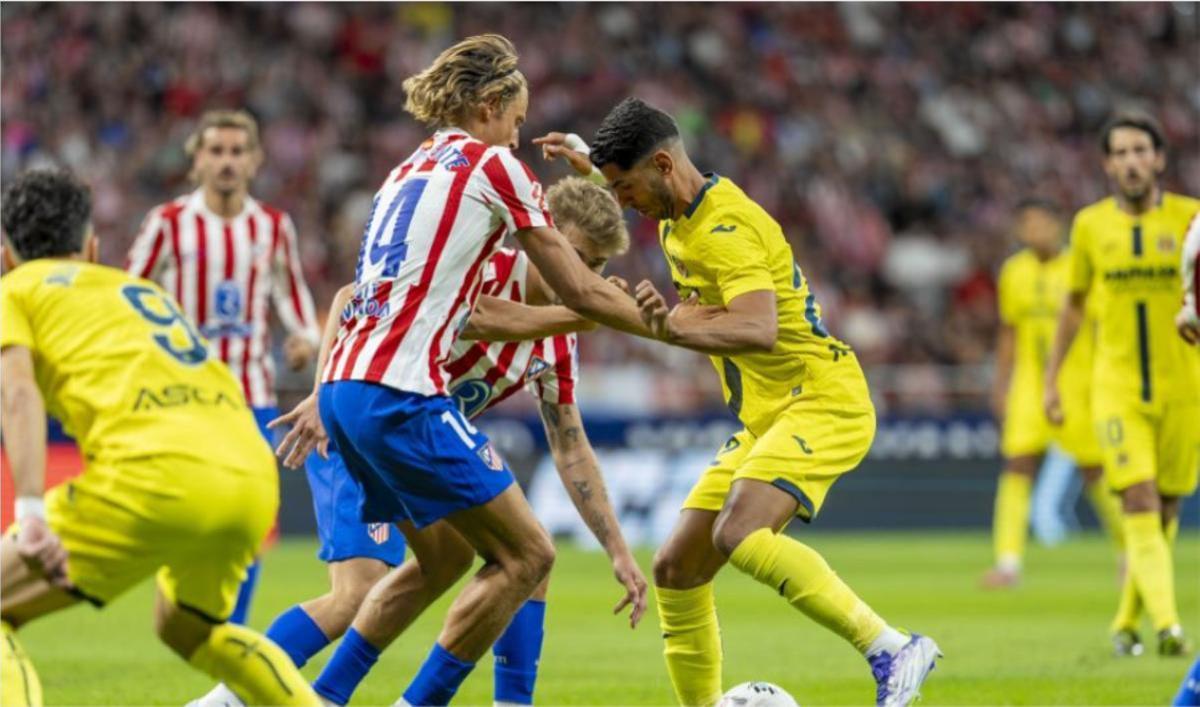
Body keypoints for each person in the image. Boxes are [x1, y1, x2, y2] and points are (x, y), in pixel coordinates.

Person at [196, 176, 647, 706]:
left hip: (419, 443)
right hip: (360, 427)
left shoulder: (559, 341)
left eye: (594, 267)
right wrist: (321, 392)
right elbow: (350, 298)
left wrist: (618, 549)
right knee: (356, 594)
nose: (581, 275)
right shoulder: (484, 269)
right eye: (574, 256)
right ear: (540, 237)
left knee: (517, 559)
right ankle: (233, 699)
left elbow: (570, 445)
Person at [558, 97, 941, 707]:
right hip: (767, 413)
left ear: (661, 165)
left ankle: (892, 647)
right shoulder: (677, 209)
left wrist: (673, 329)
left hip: (821, 398)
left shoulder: (725, 230)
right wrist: (587, 163)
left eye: (625, 187)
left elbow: (758, 328)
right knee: (676, 569)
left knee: (739, 531)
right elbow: (634, 178)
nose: (623, 203)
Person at [313, 35, 654, 706]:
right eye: (518, 120)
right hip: (401, 394)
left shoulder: (408, 168)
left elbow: (569, 430)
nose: (518, 136)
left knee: (442, 559)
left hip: (348, 386)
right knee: (530, 557)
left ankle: (323, 696)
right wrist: (666, 321)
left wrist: (616, 546)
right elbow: (575, 296)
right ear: (492, 104)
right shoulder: (496, 171)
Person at [0, 169, 318, 705]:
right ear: (92, 245)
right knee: (191, 630)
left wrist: (30, 512)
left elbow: (18, 396)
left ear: (7, 254)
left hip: (154, 474)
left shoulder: (17, 289)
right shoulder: (137, 290)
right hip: (247, 465)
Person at [125, 109, 321, 623]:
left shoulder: (273, 227)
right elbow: (129, 295)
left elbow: (294, 297)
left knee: (251, 514)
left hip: (250, 396)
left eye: (237, 151)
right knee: (189, 511)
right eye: (216, 151)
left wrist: (304, 339)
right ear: (197, 162)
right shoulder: (168, 224)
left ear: (254, 160)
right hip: (183, 394)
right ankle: (189, 602)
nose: (227, 162)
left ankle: (230, 627)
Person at [1044, 111, 1200, 657]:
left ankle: (1125, 621)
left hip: (1184, 387)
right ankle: (1168, 626)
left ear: (1159, 158)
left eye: (1141, 150)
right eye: (1121, 153)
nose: (1132, 161)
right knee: (1138, 496)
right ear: (1108, 165)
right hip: (1117, 387)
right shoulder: (1090, 226)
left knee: (1166, 508)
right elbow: (1072, 306)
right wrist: (1052, 381)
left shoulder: (1192, 220)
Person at [983, 198, 1124, 588]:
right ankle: (1008, 563)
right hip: (1029, 385)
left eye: (1042, 223)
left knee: (1094, 469)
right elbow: (1008, 332)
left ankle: (1129, 552)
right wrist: (1001, 385)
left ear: (1057, 226)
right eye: (1027, 225)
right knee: (1017, 465)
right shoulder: (1013, 272)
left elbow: (1104, 327)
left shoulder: (1080, 268)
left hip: (1080, 384)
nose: (1035, 232)